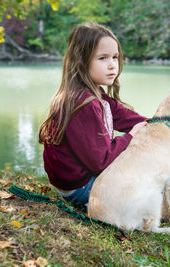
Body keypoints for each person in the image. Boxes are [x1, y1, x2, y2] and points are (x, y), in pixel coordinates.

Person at [38, 22, 147, 211]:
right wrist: (130, 137)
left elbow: (128, 117)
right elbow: (101, 161)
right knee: (144, 188)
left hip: (73, 183)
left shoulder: (91, 93)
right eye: (103, 58)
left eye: (115, 57)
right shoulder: (83, 104)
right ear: (81, 61)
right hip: (80, 188)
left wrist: (167, 128)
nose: (112, 64)